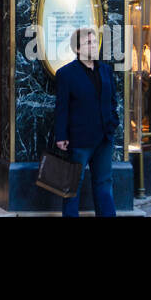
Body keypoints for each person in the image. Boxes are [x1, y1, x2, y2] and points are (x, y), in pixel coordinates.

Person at [53, 28, 118, 218]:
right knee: (72, 187)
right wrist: (61, 136)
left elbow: (113, 100)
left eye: (94, 41)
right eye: (88, 43)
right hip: (79, 140)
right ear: (78, 49)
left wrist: (113, 122)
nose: (93, 45)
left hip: (104, 138)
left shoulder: (105, 69)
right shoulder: (66, 74)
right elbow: (61, 107)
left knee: (104, 184)